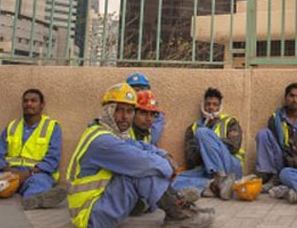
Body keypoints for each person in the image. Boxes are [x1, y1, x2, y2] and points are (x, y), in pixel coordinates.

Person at [66, 83, 212, 228]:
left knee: (149, 166)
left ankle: (176, 203)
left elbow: (140, 146)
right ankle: (177, 213)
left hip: (99, 204)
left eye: (129, 111)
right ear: (107, 111)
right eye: (119, 110)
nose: (125, 116)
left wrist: (164, 155)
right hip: (90, 215)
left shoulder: (111, 133)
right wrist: (168, 167)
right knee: (142, 172)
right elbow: (143, 162)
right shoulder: (102, 140)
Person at [172, 87, 243, 199]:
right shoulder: (193, 128)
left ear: (220, 107)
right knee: (174, 181)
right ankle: (212, 186)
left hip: (230, 168)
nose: (211, 108)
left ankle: (220, 179)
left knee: (203, 133)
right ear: (203, 106)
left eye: (215, 105)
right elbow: (191, 161)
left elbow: (234, 146)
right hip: (206, 170)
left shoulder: (230, 122)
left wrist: (209, 142)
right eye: (208, 104)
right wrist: (205, 146)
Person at [255, 82, 297, 190]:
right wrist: (287, 157)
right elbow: (274, 146)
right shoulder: (276, 118)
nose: (294, 100)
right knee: (263, 134)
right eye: (291, 96)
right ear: (286, 98)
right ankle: (270, 176)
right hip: (281, 158)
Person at [126, 72, 165, 145]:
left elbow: (152, 141)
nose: (149, 119)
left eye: (153, 114)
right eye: (135, 90)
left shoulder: (156, 115)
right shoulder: (122, 122)